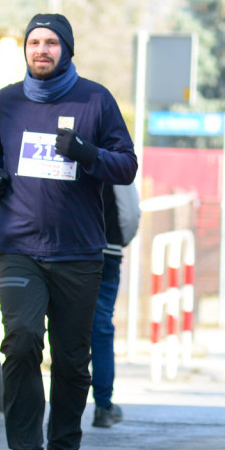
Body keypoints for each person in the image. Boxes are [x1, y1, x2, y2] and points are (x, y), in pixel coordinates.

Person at [0, 13, 137, 450]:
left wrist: (87, 153)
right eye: (34, 42)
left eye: (50, 43)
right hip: (19, 245)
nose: (40, 50)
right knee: (22, 342)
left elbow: (126, 165)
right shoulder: (8, 100)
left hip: (78, 252)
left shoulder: (95, 99)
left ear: (66, 49)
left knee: (71, 359)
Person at [90, 182, 140, 428]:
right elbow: (129, 212)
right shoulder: (112, 146)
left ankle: (62, 405)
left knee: (64, 323)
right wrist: (120, 239)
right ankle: (103, 406)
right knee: (100, 325)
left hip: (64, 248)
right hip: (106, 247)